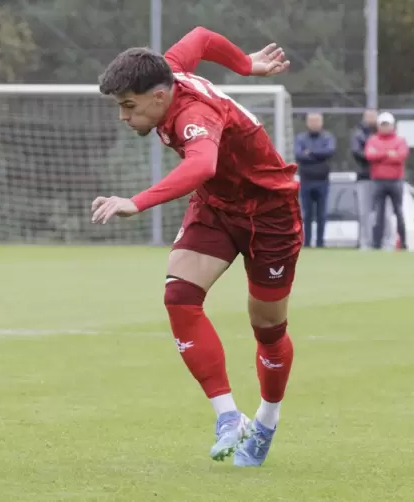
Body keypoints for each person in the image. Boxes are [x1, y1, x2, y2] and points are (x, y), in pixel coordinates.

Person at [91, 27, 298, 467]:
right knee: (179, 296)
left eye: (129, 106)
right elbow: (202, 37)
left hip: (269, 214)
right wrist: (246, 65)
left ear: (161, 96)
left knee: (268, 329)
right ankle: (229, 418)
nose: (124, 117)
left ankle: (266, 419)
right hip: (218, 208)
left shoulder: (193, 116)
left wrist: (137, 201)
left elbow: (202, 164)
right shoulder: (166, 68)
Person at [366, 111, 410, 250]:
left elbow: (400, 156)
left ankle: (403, 243)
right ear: (379, 126)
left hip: (395, 181)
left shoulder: (400, 140)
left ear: (392, 125)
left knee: (399, 212)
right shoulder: (372, 140)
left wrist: (380, 155)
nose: (385, 127)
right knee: (378, 213)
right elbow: (369, 155)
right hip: (378, 181)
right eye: (382, 124)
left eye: (387, 124)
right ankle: (376, 244)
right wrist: (388, 153)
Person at [295, 112, 336, 247]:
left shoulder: (327, 137)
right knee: (306, 214)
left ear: (322, 122)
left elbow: (329, 152)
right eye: (311, 121)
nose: (314, 123)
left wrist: (310, 152)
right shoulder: (301, 138)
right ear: (307, 123)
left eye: (317, 121)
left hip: (322, 181)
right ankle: (306, 243)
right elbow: (299, 155)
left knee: (321, 215)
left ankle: (320, 243)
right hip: (306, 180)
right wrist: (318, 154)